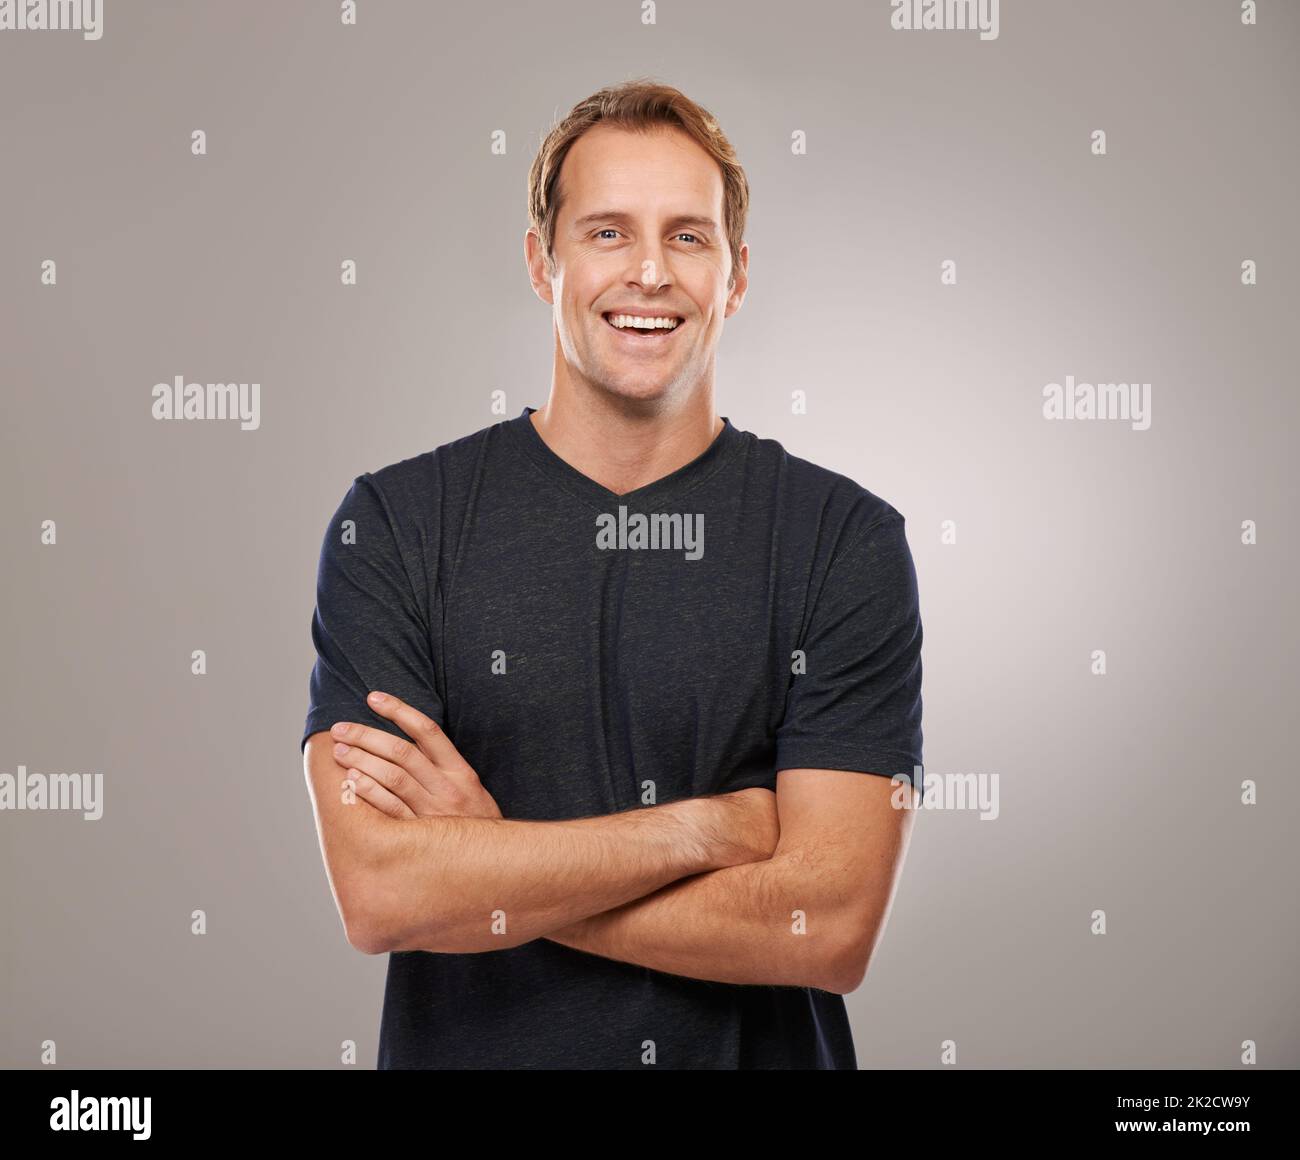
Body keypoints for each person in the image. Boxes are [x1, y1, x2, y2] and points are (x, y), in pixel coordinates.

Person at [300, 78, 924, 1069]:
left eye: (687, 235)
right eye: (604, 232)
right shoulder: (393, 526)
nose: (648, 271)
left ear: (737, 274)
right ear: (541, 263)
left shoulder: (841, 540)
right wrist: (707, 828)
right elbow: (381, 893)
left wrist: (492, 855)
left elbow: (828, 924)